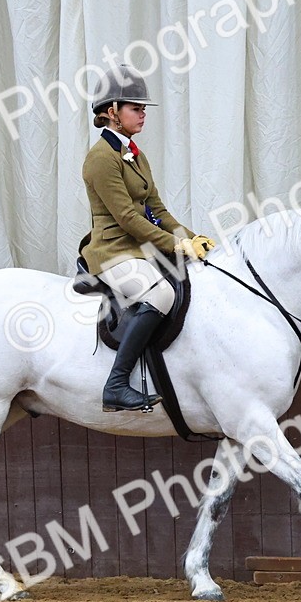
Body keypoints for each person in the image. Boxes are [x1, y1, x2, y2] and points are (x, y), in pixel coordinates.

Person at [81, 65, 215, 412]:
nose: (142, 114)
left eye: (142, 109)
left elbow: (157, 209)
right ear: (112, 112)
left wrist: (191, 237)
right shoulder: (100, 158)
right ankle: (115, 384)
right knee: (162, 293)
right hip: (112, 251)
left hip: (138, 249)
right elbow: (127, 218)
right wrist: (174, 245)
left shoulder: (135, 154)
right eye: (135, 108)